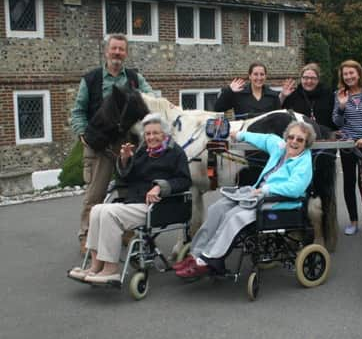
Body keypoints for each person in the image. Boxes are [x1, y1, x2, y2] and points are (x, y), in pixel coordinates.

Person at [173, 121, 315, 278]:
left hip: (278, 202)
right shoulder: (281, 147)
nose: (294, 141)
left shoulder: (303, 162)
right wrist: (241, 135)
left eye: (300, 140)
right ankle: (196, 253)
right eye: (291, 137)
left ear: (306, 143)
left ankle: (210, 259)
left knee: (234, 216)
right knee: (218, 208)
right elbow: (266, 139)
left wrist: (267, 190)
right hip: (257, 194)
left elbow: (295, 188)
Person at [67, 113, 192, 283]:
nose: (151, 137)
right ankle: (96, 266)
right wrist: (125, 160)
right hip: (134, 202)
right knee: (96, 210)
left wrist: (159, 187)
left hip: (158, 206)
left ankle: (111, 269)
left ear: (165, 134)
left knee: (110, 214)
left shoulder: (176, 153)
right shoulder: (142, 151)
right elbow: (127, 178)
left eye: (155, 133)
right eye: (147, 134)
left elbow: (184, 181)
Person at [71, 34, 154, 254]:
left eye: (121, 49)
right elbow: (78, 111)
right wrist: (81, 133)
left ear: (126, 53)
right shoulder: (91, 79)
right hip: (100, 144)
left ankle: (126, 233)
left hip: (127, 144)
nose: (117, 53)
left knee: (129, 191)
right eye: (114, 49)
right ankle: (87, 237)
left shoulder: (135, 79)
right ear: (107, 51)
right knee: (95, 194)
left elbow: (152, 98)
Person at [332, 60, 362, 235]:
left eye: (351, 73)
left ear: (359, 73)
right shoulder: (339, 94)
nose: (349, 77)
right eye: (345, 74)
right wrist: (342, 106)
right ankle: (353, 221)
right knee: (349, 181)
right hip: (348, 143)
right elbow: (337, 122)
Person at [279, 63, 337, 130]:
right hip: (299, 136)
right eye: (306, 78)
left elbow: (336, 117)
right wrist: (283, 96)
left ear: (318, 79)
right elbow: (280, 114)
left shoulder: (328, 95)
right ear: (301, 79)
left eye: (313, 78)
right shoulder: (292, 95)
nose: (309, 81)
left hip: (324, 136)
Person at [214, 61, 280, 119]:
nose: (259, 78)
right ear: (250, 76)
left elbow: (278, 118)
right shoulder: (238, 93)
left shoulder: (273, 95)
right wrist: (229, 90)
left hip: (266, 132)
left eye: (262, 74)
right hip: (244, 132)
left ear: (265, 76)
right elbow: (218, 109)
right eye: (255, 74)